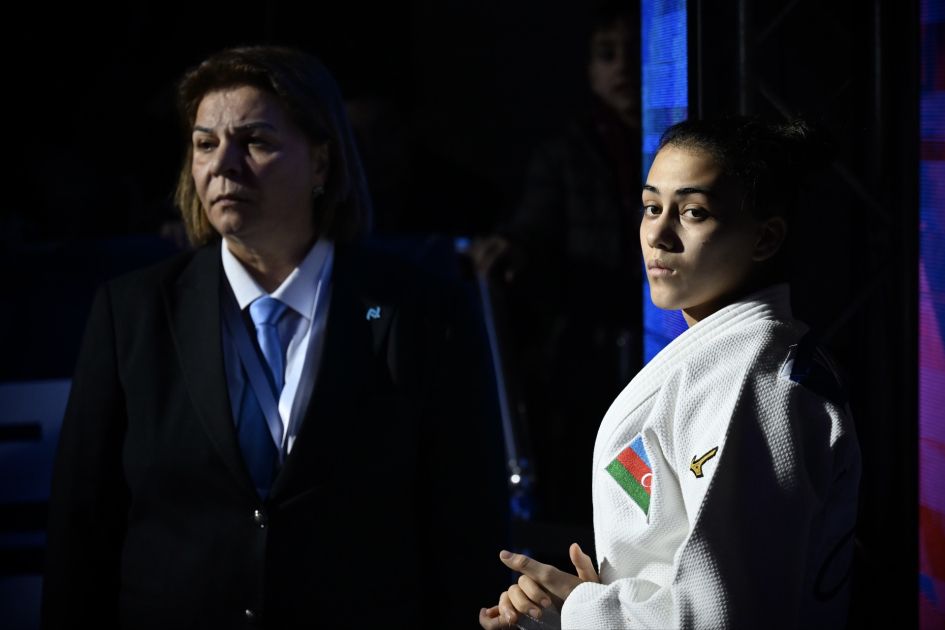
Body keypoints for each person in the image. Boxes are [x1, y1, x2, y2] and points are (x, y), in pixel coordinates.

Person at [42, 45, 505, 629]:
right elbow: (81, 531)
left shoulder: (425, 313)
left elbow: (466, 530)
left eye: (255, 141)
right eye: (205, 143)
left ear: (321, 163)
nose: (223, 164)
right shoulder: (130, 313)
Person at [479, 116, 862, 629]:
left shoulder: (756, 383)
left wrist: (582, 608)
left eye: (693, 212)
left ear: (765, 238)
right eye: (651, 207)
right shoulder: (729, 364)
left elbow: (725, 615)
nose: (658, 235)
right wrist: (566, 610)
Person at [469, 0, 643, 530]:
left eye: (634, 52)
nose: (622, 66)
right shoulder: (566, 151)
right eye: (607, 54)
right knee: (597, 479)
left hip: (661, 330)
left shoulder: (678, 137)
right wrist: (510, 246)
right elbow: (533, 226)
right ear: (589, 70)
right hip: (590, 347)